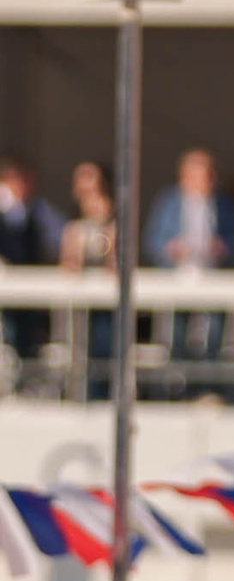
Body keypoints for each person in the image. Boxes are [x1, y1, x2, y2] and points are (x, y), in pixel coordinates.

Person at [145, 148, 234, 380]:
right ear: (184, 177)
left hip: (213, 279)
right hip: (178, 279)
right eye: (199, 175)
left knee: (215, 335)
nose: (205, 181)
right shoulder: (169, 203)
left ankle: (210, 385)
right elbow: (154, 241)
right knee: (175, 335)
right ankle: (176, 385)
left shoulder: (226, 204)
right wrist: (173, 249)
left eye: (209, 175)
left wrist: (222, 247)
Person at [0, 159, 63, 387]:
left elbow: (57, 234)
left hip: (29, 294)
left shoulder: (37, 210)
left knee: (27, 339)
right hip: (6, 291)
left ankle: (25, 384)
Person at [59, 159, 117, 403]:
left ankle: (101, 394)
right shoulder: (72, 222)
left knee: (104, 345)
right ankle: (77, 394)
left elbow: (114, 260)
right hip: (78, 301)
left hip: (106, 302)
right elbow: (68, 261)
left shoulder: (114, 218)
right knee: (76, 347)